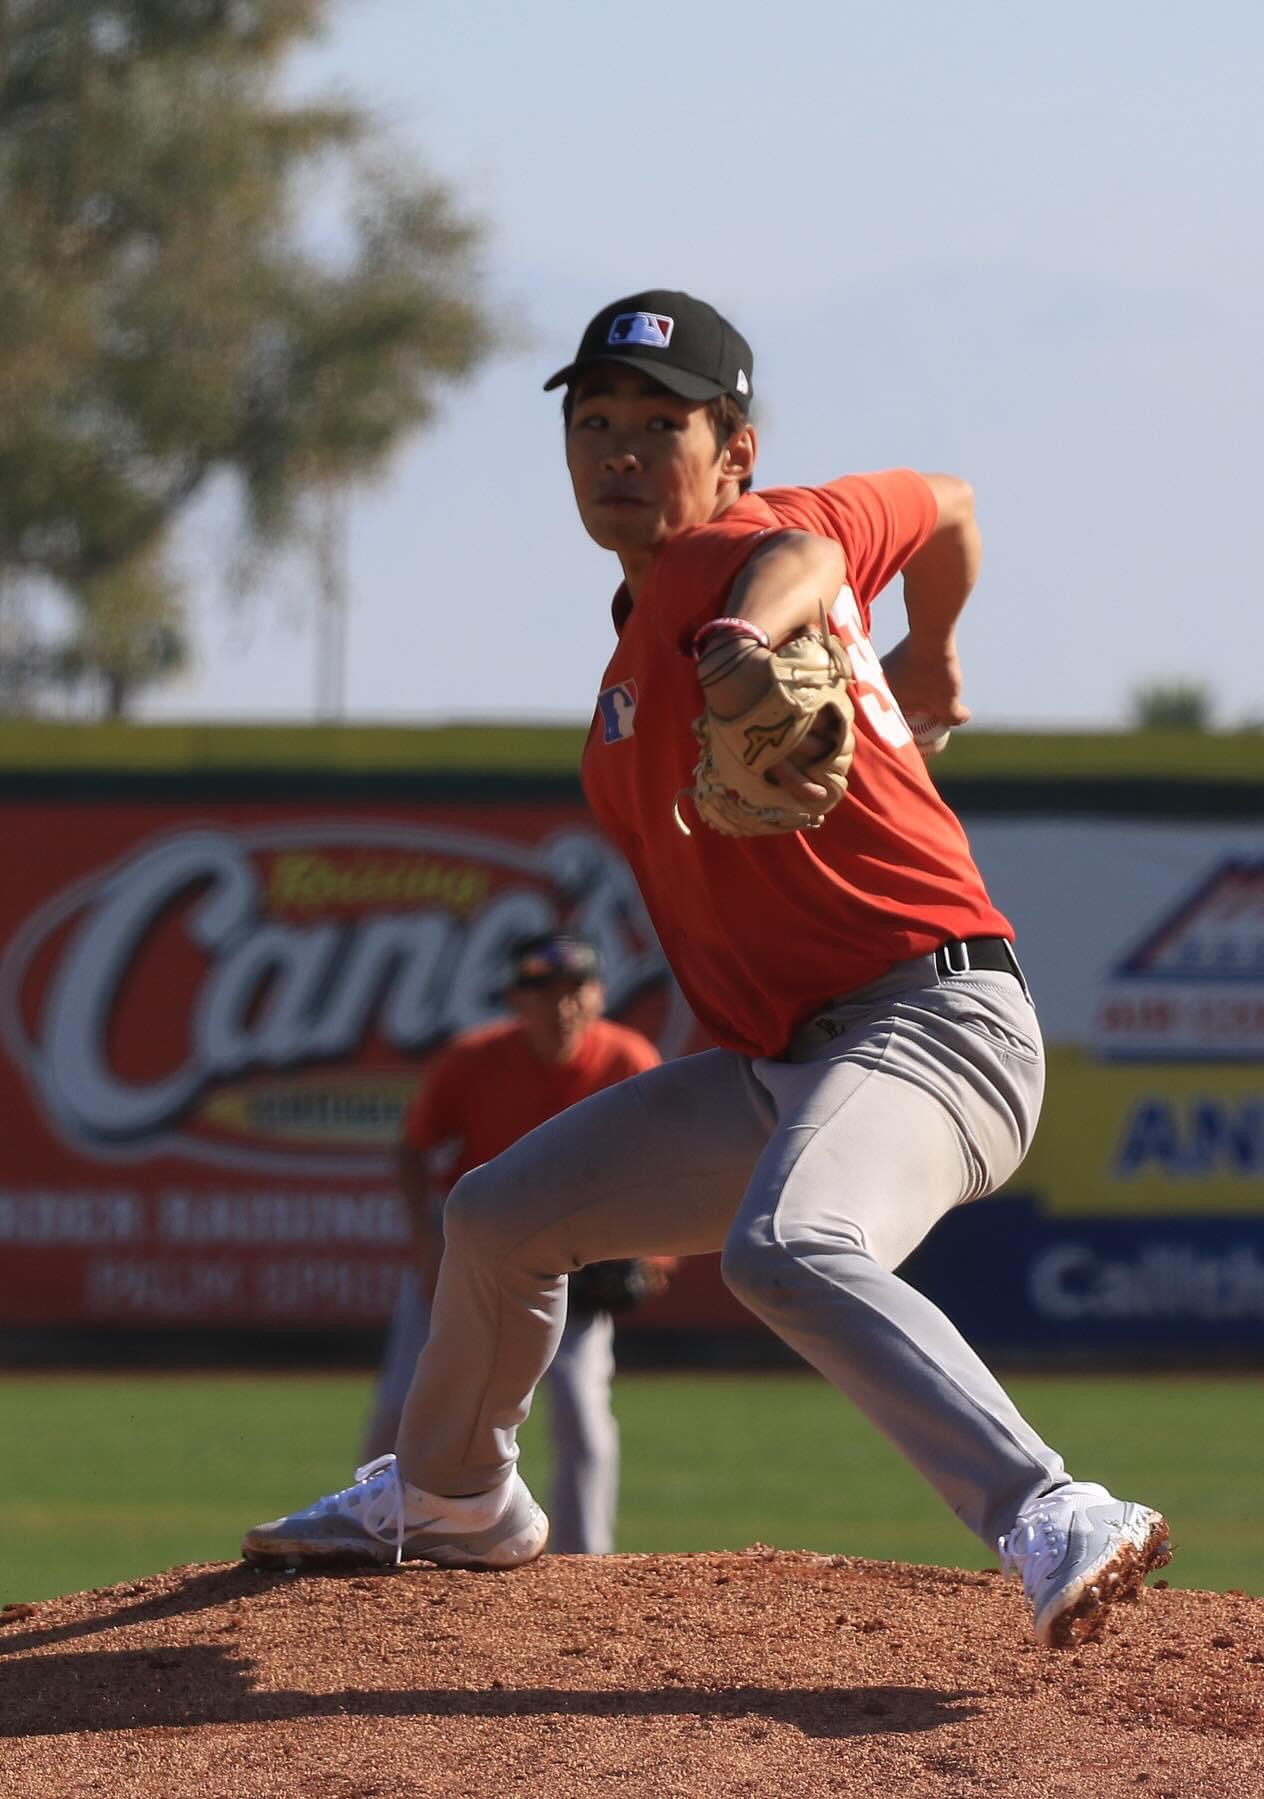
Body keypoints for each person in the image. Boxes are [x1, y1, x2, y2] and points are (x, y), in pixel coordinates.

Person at [245, 289, 1171, 1647]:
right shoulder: (632, 661)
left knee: (789, 1246)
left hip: (938, 1023)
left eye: (659, 425)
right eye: (594, 421)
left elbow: (788, 550)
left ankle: (1052, 1507)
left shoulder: (735, 545)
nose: (619, 450)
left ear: (733, 448)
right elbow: (952, 503)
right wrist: (938, 647)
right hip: (777, 1068)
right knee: (499, 1215)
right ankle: (452, 1493)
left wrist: (748, 639)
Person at [359, 931, 665, 1553]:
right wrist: (425, 1244)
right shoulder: (473, 1060)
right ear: (516, 1000)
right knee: (401, 1406)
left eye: (574, 990)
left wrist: (656, 1249)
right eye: (543, 992)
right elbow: (414, 1149)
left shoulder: (626, 1059)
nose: (561, 1006)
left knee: (581, 1416)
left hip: (574, 1256)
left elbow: (671, 1158)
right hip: (467, 1255)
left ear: (599, 995)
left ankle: (584, 1562)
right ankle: (369, 1530)